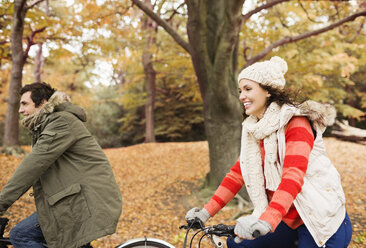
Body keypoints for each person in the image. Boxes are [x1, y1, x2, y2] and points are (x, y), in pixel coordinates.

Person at [185, 57, 352, 248]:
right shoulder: (255, 130)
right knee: (239, 245)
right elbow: (237, 174)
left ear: (267, 91)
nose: (241, 96)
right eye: (240, 91)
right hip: (286, 220)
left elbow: (293, 176)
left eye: (248, 89)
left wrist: (268, 219)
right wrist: (206, 212)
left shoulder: (296, 123)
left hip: (320, 222)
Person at [0, 82, 122, 248]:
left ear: (42, 103)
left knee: (21, 235)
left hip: (84, 203)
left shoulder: (61, 123)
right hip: (74, 200)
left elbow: (32, 166)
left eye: (25, 104)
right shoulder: (48, 125)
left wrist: (2, 203)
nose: (20, 110)